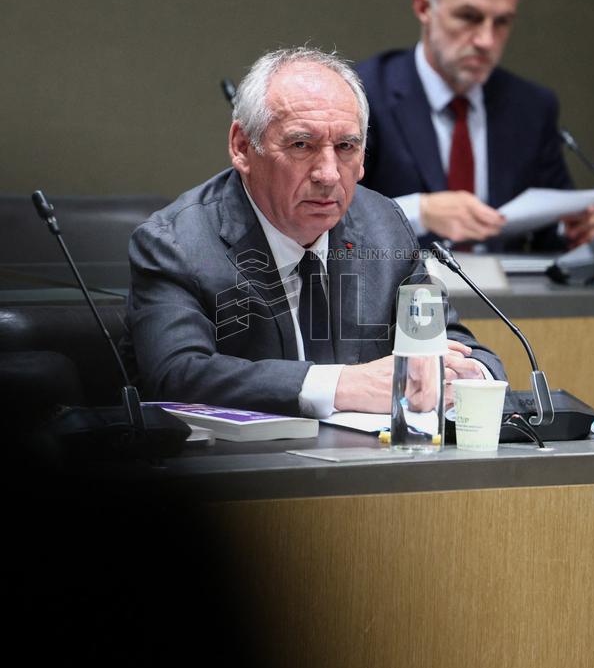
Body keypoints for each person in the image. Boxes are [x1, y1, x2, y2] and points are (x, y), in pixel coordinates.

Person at [126, 46, 506, 417]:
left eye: (346, 146)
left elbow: (455, 346)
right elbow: (177, 374)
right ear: (242, 147)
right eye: (301, 145)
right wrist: (342, 385)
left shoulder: (383, 225)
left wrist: (468, 377)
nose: (328, 174)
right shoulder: (175, 243)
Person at [356, 0, 594, 251]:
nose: (486, 40)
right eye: (469, 17)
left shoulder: (531, 107)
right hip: (399, 281)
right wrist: (420, 212)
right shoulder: (365, 94)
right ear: (424, 7)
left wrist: (570, 230)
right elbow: (332, 216)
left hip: (504, 285)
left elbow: (551, 233)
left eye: (502, 22)